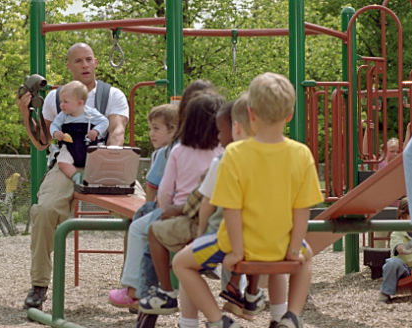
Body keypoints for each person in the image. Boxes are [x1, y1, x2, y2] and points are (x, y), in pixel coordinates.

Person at [172, 72, 324, 328]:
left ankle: (217, 319)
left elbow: (231, 210)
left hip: (236, 243)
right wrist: (294, 249)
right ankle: (292, 315)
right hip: (281, 241)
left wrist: (238, 252)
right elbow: (302, 210)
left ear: (250, 113)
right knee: (306, 259)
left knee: (181, 263)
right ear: (290, 115)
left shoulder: (235, 154)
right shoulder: (301, 154)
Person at [16, 42, 130, 310]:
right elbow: (43, 143)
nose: (85, 65)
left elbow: (117, 130)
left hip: (101, 161)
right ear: (69, 66)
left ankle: (133, 286)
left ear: (96, 62)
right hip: (65, 164)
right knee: (43, 210)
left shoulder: (112, 95)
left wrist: (110, 158)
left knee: (139, 211)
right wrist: (25, 113)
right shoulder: (57, 98)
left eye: (89, 59)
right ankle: (39, 285)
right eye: (78, 61)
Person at [109, 92, 224, 314]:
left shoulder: (176, 150)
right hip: (220, 219)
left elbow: (162, 191)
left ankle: (143, 290)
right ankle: (237, 291)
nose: (151, 133)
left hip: (183, 216)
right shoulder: (224, 150)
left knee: (145, 230)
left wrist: (163, 209)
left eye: (156, 128)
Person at [137, 99, 235, 320]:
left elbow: (191, 198)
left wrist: (172, 210)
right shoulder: (230, 152)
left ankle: (163, 292)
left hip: (200, 223)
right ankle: (238, 294)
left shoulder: (180, 150)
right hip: (236, 226)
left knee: (152, 232)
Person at [49, 80, 109, 182]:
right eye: (61, 101)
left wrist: (96, 131)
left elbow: (105, 121)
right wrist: (55, 133)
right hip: (69, 147)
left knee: (101, 157)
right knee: (62, 161)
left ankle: (92, 176)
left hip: (89, 145)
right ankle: (76, 176)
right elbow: (54, 125)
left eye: (65, 101)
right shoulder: (63, 116)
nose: (61, 105)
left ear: (80, 103)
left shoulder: (90, 113)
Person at [378, 197, 412, 303]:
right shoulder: (397, 233)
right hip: (404, 270)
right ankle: (385, 293)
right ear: (403, 218)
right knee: (392, 263)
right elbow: (400, 248)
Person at [144, 104, 179, 202]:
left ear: (172, 129)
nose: (151, 134)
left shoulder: (165, 153)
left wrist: (146, 209)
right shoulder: (190, 147)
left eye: (156, 128)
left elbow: (152, 187)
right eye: (150, 129)